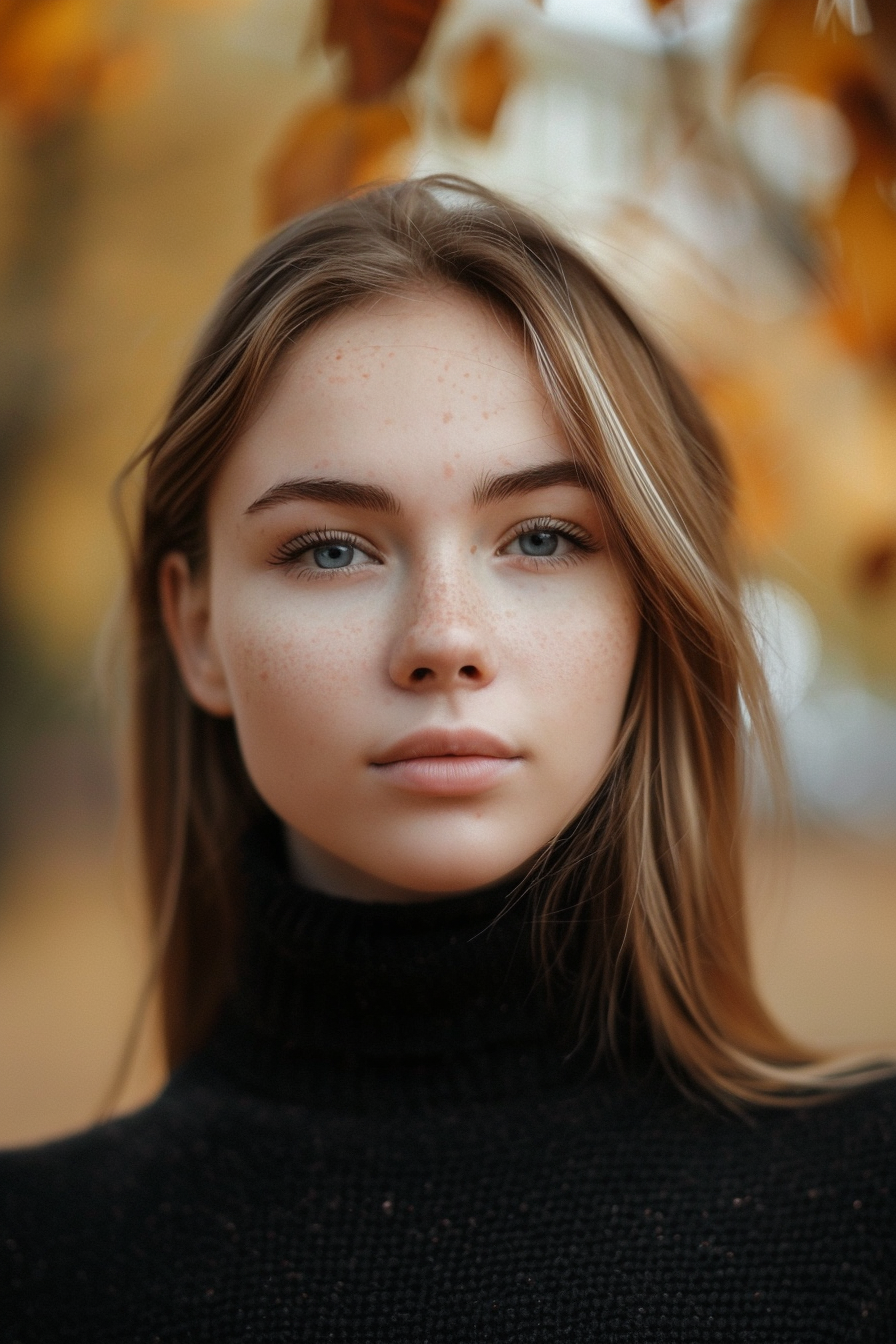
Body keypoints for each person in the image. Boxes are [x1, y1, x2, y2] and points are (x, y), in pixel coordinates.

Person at [1, 175, 893, 1343]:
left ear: (652, 606)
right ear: (198, 631)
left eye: (541, 538)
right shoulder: (36, 1263)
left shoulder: (866, 1216)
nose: (442, 642)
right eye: (328, 550)